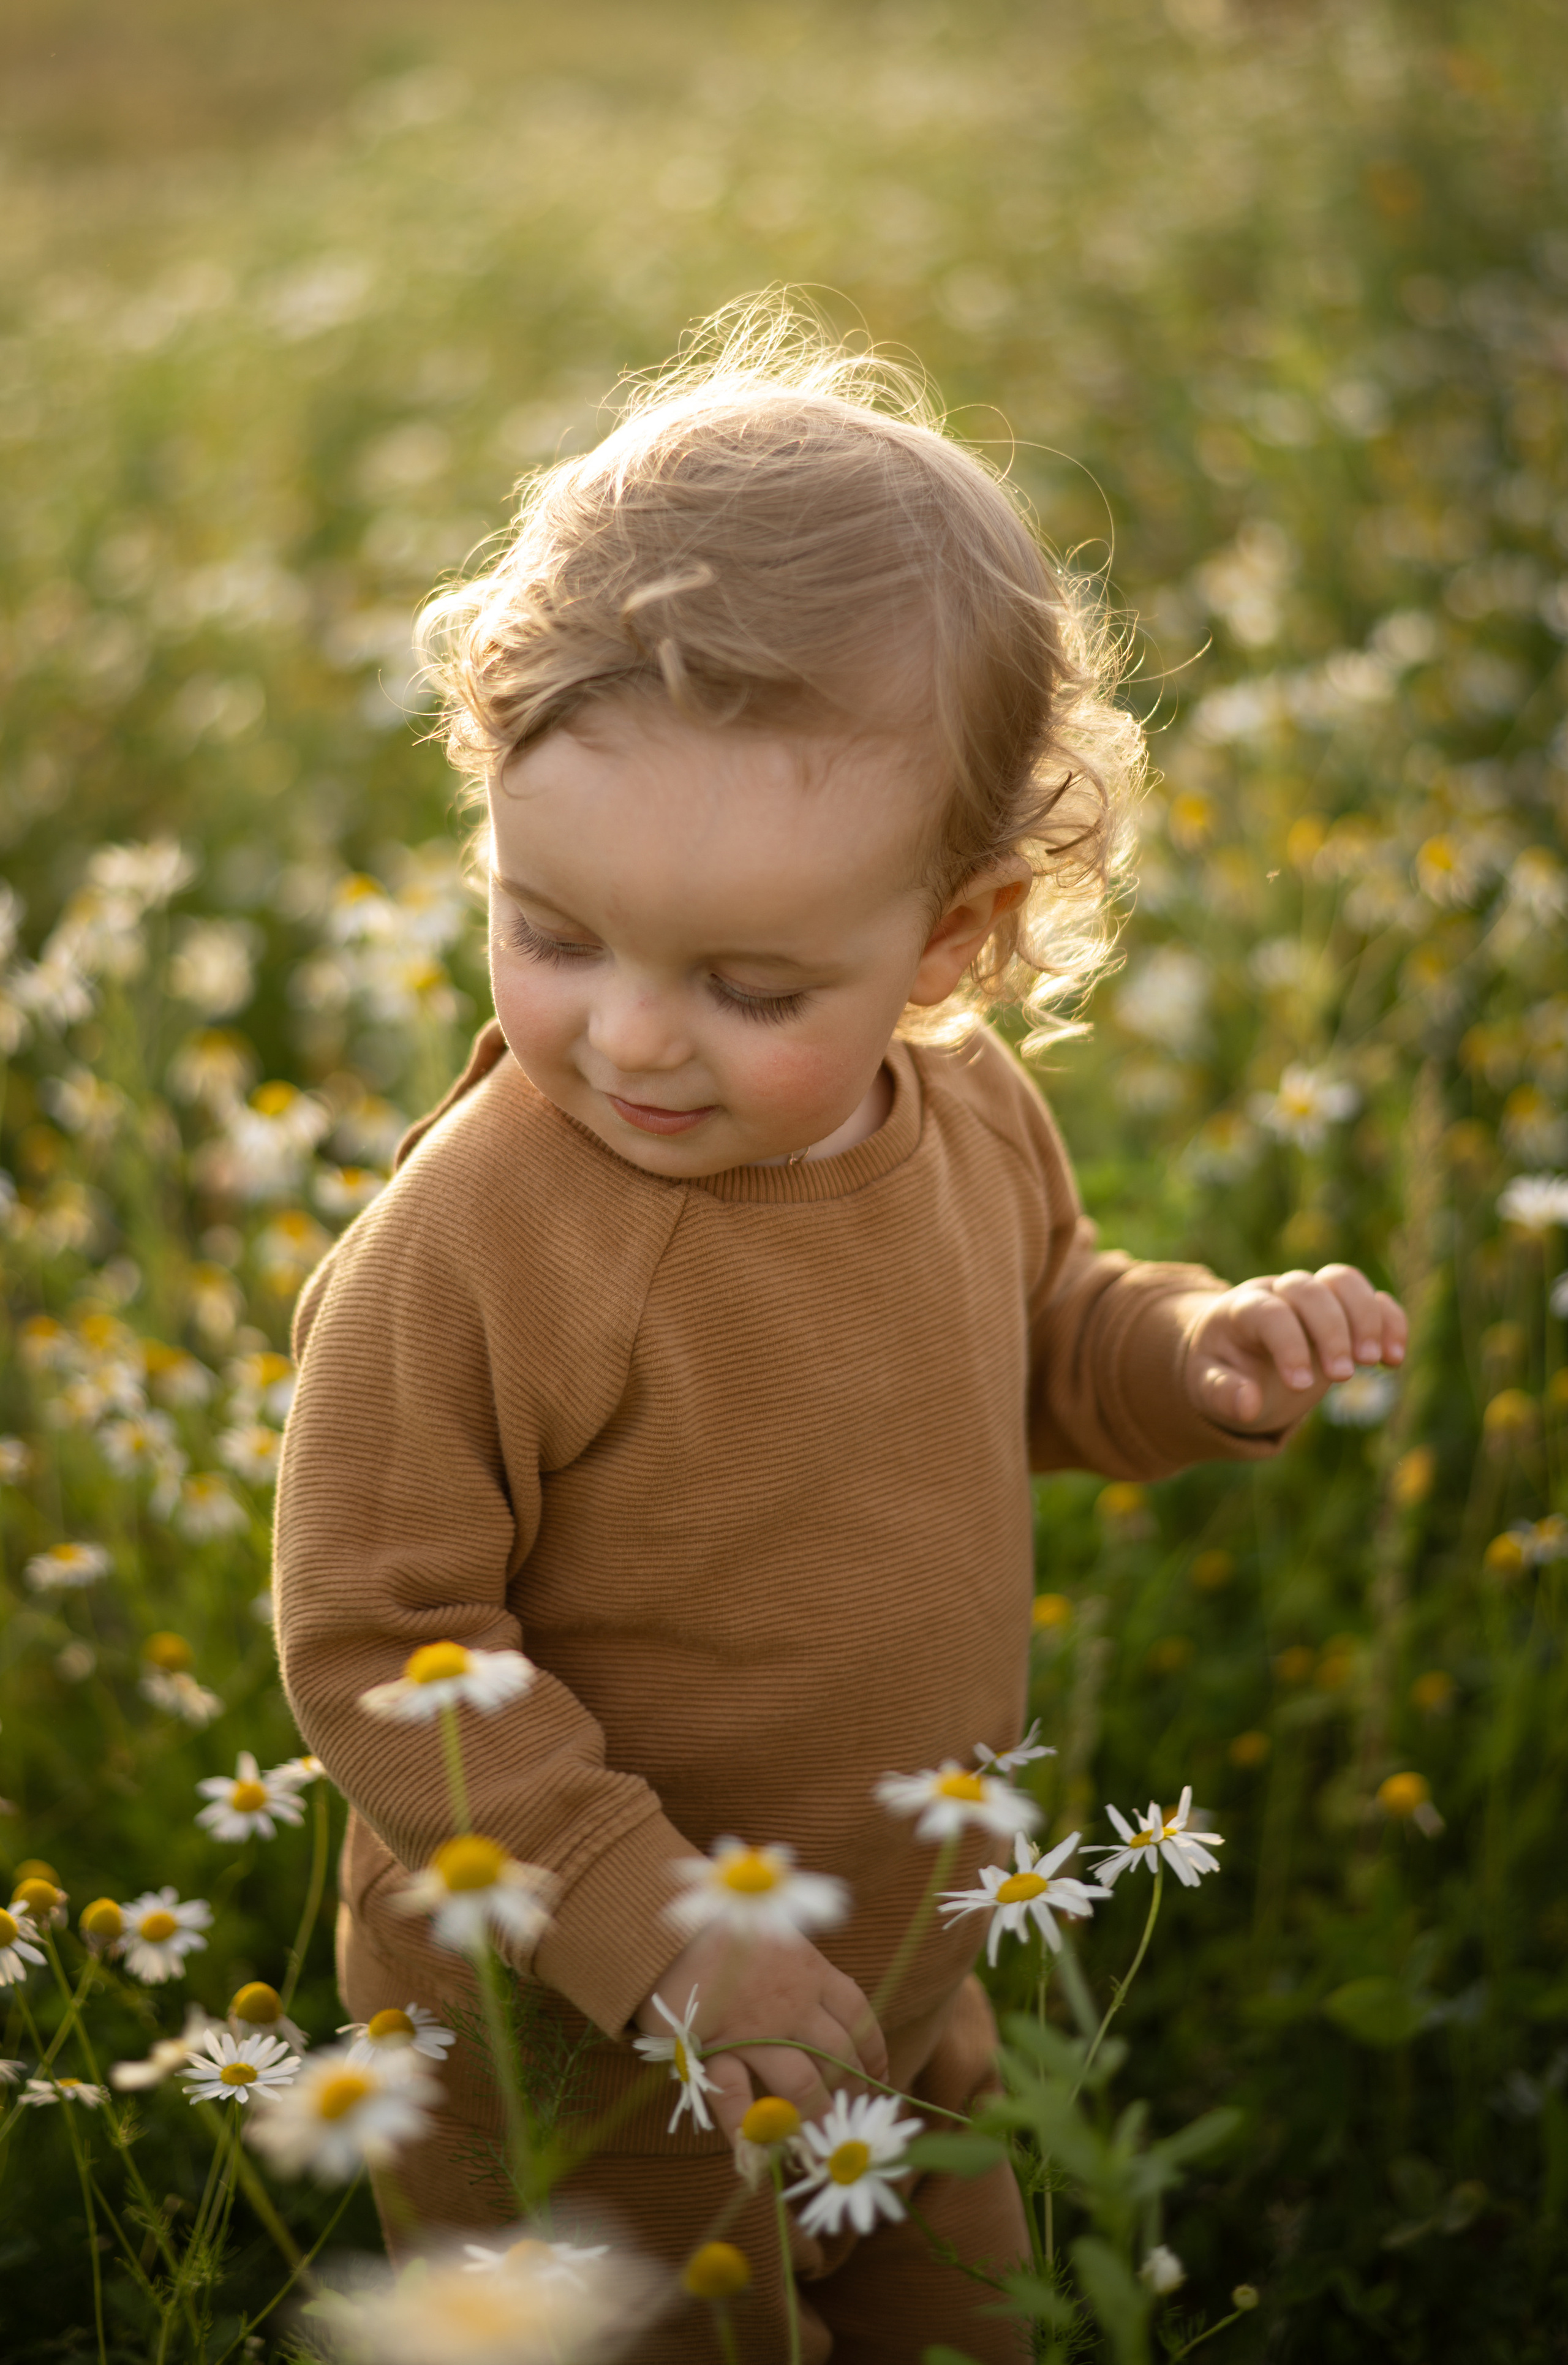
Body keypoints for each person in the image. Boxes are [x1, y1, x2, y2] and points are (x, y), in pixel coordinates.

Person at [273, 298, 1405, 2361]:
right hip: (582, 2047)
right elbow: (374, 1632)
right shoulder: (479, 1240)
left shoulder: (962, 1111)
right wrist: (653, 1930)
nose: (632, 1038)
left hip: (899, 1967)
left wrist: (1185, 1353)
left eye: (751, 987)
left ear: (949, 937)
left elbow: (1040, 1332)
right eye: (551, 932)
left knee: (966, 2312)